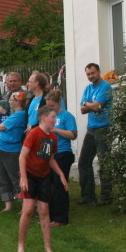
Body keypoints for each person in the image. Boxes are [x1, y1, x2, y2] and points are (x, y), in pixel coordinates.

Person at [18, 105, 69, 252]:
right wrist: (23, 177)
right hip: (30, 175)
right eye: (53, 117)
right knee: (27, 210)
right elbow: (22, 156)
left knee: (44, 211)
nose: (55, 120)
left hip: (44, 176)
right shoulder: (34, 134)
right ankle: (21, 244)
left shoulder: (53, 137)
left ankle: (48, 247)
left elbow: (51, 159)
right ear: (44, 118)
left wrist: (60, 174)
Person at [78, 63, 112, 206]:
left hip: (103, 128)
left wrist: (88, 103)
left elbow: (98, 107)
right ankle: (88, 196)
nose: (90, 76)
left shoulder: (105, 87)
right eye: (88, 74)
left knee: (104, 163)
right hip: (91, 129)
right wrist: (90, 105)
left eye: (92, 73)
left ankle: (106, 197)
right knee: (83, 163)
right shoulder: (88, 88)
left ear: (98, 72)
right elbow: (82, 110)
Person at [46, 90, 78, 227]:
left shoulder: (67, 116)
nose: (50, 108)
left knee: (60, 185)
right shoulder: (48, 117)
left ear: (59, 103)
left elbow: (73, 135)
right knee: (48, 185)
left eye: (52, 105)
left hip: (63, 153)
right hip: (49, 154)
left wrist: (57, 130)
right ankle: (50, 215)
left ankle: (60, 218)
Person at [0, 91, 28, 212]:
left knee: (16, 178)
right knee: (1, 177)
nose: (9, 102)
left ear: (18, 101)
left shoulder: (20, 115)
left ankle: (25, 205)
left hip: (11, 150)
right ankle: (8, 205)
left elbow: (0, 127)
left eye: (12, 99)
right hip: (2, 149)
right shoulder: (14, 114)